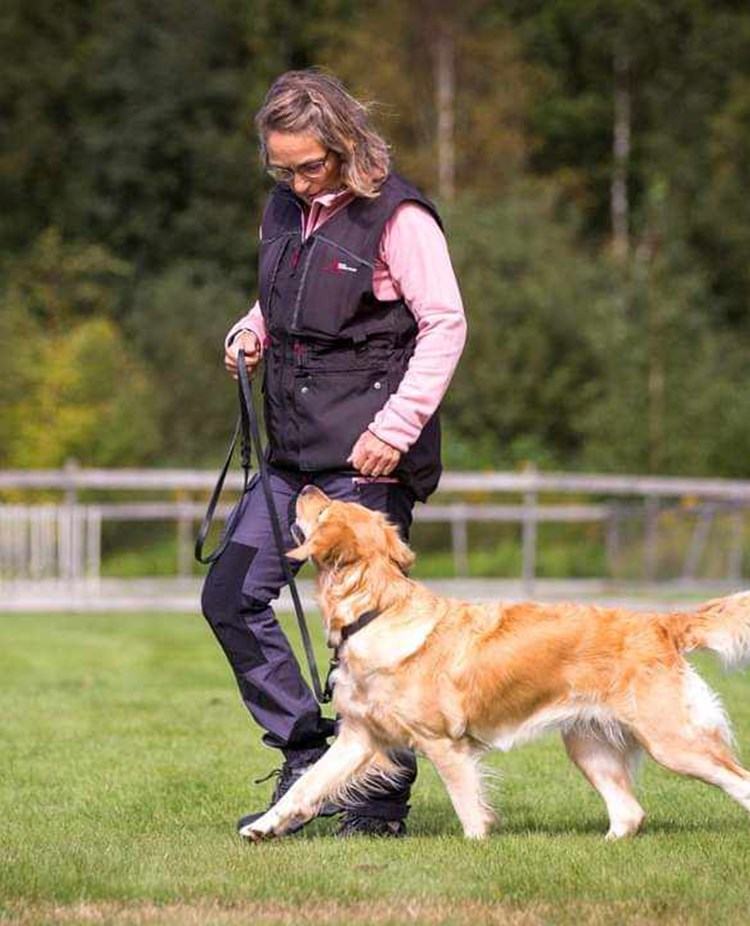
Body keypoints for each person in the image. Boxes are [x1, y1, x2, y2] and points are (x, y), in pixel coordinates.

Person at [201, 68, 466, 839]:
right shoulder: (284, 207)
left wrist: (397, 427)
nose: (296, 179)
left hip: (367, 456)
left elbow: (445, 323)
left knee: (372, 634)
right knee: (230, 596)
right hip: (291, 452)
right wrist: (249, 330)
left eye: (309, 165)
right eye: (281, 167)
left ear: (346, 141)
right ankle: (304, 751)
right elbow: (282, 297)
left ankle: (377, 805)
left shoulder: (399, 216)